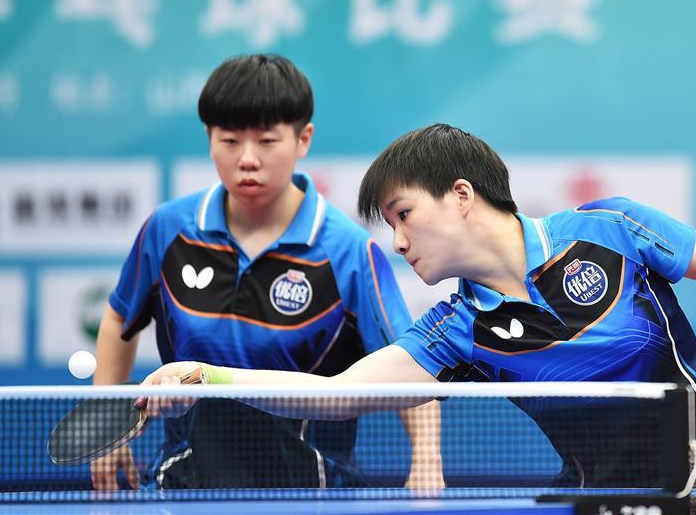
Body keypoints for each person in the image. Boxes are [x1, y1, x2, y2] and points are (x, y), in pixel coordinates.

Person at [144, 123, 696, 488]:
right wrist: (208, 378)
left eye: (402, 214)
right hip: (593, 502)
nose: (397, 240)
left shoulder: (610, 230)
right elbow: (340, 395)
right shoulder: (457, 329)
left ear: (461, 196)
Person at [92, 55, 442, 491]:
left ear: (303, 139)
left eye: (267, 141)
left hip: (312, 490)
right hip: (187, 484)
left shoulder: (348, 252)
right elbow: (118, 319)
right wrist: (107, 424)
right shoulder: (168, 230)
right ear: (209, 138)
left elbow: (409, 362)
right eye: (230, 140)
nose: (248, 159)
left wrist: (426, 461)